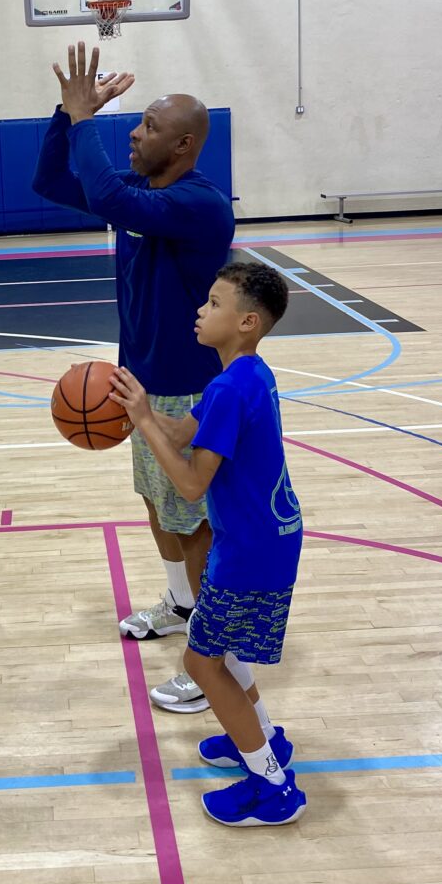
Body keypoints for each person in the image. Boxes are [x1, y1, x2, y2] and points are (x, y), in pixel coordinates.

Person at [32, 42, 235, 712]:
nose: (134, 132)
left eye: (146, 125)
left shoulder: (197, 204)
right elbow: (54, 181)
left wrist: (87, 121)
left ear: (181, 144)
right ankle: (180, 603)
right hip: (140, 379)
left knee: (196, 520)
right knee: (158, 506)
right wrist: (67, 119)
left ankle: (216, 658)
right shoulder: (142, 193)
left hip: (187, 388)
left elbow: (104, 193)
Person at [109, 261, 307, 827]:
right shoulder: (248, 374)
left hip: (250, 548)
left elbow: (192, 482)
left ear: (246, 321)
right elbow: (188, 432)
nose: (201, 310)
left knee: (202, 662)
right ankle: (266, 739)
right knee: (224, 651)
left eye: (214, 304)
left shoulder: (226, 387)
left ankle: (273, 788)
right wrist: (142, 408)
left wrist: (145, 422)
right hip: (263, 538)